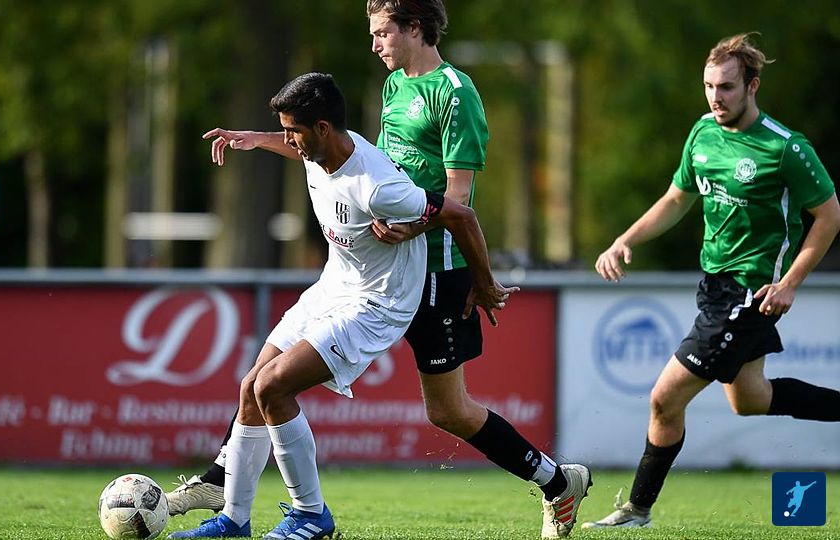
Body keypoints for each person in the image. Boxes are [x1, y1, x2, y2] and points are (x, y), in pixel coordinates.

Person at [166, 2, 592, 539]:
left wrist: (438, 248)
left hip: (436, 269)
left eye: (383, 32)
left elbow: (457, 200)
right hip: (376, 265)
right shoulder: (394, 86)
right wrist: (259, 139)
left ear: (415, 27)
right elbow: (343, 156)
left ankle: (557, 482)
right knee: (265, 378)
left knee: (449, 412)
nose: (374, 44)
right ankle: (225, 491)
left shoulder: (455, 93)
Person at [584, 33, 840, 530]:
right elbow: (676, 198)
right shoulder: (702, 132)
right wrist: (623, 240)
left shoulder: (786, 148)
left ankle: (637, 509)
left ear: (752, 86)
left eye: (726, 87)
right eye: (708, 86)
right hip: (715, 287)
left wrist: (790, 282)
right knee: (750, 399)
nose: (715, 97)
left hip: (751, 292)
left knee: (664, 399)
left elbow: (829, 216)